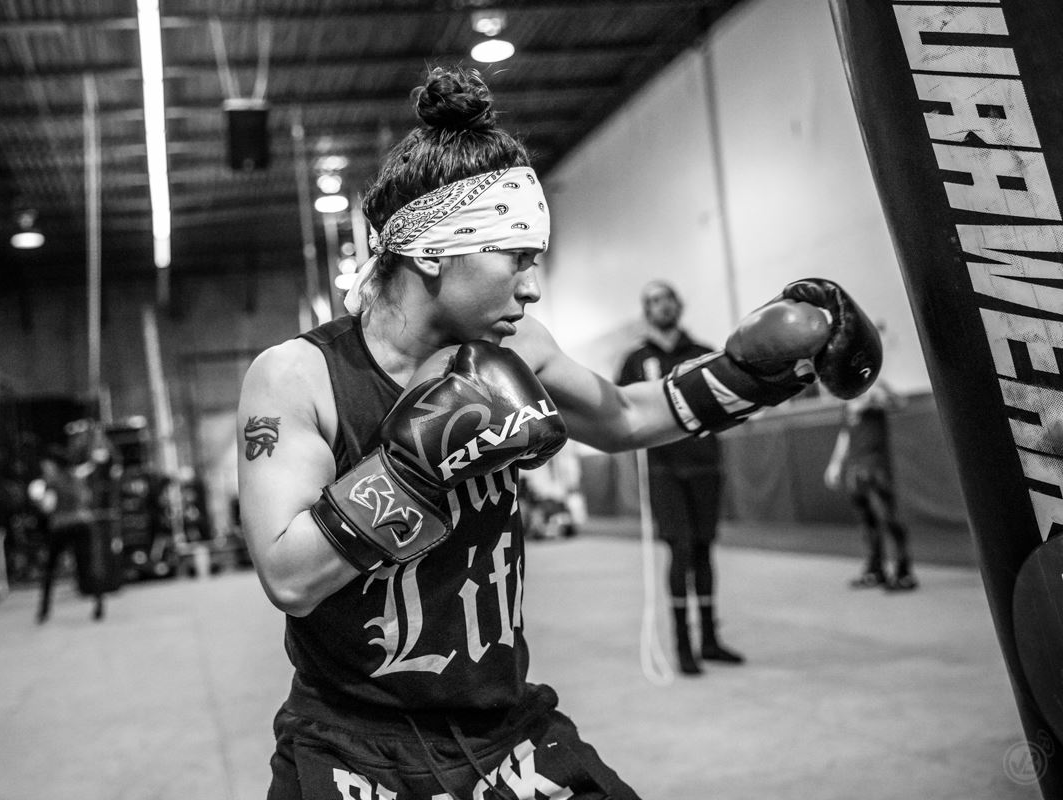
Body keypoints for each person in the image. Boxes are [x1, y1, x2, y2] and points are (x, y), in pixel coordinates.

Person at [236, 65, 881, 800]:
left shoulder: (522, 348)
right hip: (351, 746)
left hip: (504, 732)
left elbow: (625, 416)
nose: (532, 286)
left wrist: (751, 375)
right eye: (516, 258)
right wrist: (414, 465)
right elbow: (288, 576)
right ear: (430, 251)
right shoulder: (295, 376)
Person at [616, 281, 742, 676]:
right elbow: (620, 409)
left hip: (705, 463)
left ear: (677, 305)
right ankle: (683, 646)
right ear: (646, 310)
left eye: (666, 299)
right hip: (663, 470)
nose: (661, 306)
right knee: (681, 550)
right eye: (652, 300)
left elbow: (728, 401)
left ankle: (709, 639)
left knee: (704, 549)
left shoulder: (705, 354)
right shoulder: (635, 360)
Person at [824, 380, 917, 590]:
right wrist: (835, 464)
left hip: (876, 467)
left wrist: (878, 394)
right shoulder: (847, 400)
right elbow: (845, 434)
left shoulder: (874, 393)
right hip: (855, 470)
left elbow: (899, 404)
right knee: (867, 522)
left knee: (889, 517)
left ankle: (904, 572)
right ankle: (876, 570)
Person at [28, 441, 106, 623]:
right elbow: (87, 498)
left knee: (50, 569)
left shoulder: (52, 483)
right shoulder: (76, 478)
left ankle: (44, 610)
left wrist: (39, 501)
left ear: (53, 464)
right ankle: (99, 603)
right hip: (82, 523)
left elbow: (47, 507)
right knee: (87, 565)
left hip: (62, 526)